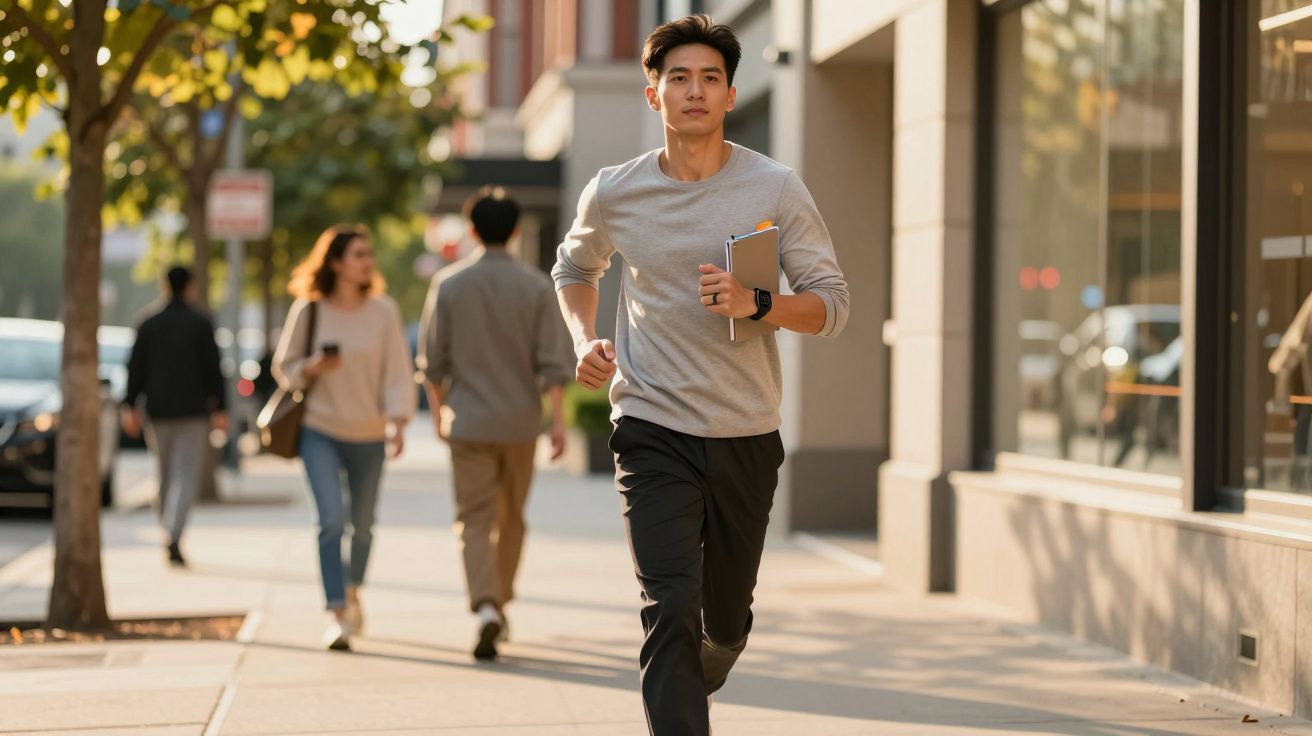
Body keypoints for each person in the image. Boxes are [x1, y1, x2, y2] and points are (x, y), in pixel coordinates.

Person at [552, 14, 849, 735]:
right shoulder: (614, 191)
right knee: (669, 604)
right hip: (652, 426)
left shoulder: (774, 188)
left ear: (730, 93)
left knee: (722, 622)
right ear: (653, 95)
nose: (694, 91)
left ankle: (713, 654)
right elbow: (574, 267)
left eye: (709, 79)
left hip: (746, 430)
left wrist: (761, 302)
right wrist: (584, 337)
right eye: (678, 78)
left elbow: (834, 306)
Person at [418, 186, 574, 660]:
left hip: (468, 421)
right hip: (520, 423)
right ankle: (500, 601)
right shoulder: (535, 286)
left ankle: (486, 605)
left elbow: (432, 362)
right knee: (512, 518)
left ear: (472, 230)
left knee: (473, 518)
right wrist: (560, 423)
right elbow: (551, 362)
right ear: (514, 230)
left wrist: (441, 409)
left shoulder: (448, 284)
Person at [272, 224, 417, 651]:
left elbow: (397, 370)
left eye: (369, 254)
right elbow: (284, 364)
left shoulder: (383, 311)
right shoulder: (309, 309)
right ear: (335, 262)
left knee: (364, 526)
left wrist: (398, 421)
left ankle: (354, 591)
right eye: (359, 254)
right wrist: (310, 367)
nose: (368, 261)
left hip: (369, 432)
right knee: (331, 521)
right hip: (319, 428)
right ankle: (336, 612)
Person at [122, 266, 228, 567]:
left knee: (164, 473)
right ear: (191, 286)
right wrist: (220, 408)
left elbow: (135, 369)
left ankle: (166, 530)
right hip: (193, 412)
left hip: (157, 411)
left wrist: (129, 405)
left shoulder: (148, 322)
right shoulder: (200, 322)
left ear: (164, 285)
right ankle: (174, 533)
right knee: (185, 475)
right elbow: (214, 369)